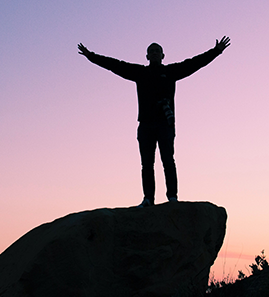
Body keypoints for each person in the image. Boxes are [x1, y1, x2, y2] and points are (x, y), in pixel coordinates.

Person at [78, 36, 230, 207]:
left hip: (165, 124)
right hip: (146, 125)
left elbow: (194, 64)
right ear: (147, 57)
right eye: (151, 52)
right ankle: (148, 198)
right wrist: (91, 56)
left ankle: (172, 197)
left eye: (157, 51)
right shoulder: (141, 73)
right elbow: (116, 65)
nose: (154, 53)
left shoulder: (171, 72)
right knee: (147, 164)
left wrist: (216, 51)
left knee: (168, 161)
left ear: (163, 55)